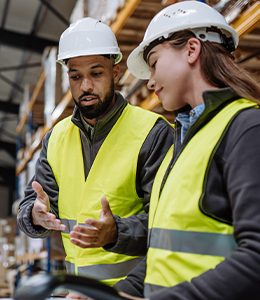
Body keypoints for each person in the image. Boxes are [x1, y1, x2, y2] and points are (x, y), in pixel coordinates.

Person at [109, 2, 260, 299]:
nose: (150, 81)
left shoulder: (252, 130)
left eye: (154, 63)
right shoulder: (185, 144)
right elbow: (164, 256)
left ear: (192, 49)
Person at [16, 17, 174, 292]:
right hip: (79, 292)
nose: (85, 86)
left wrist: (116, 232)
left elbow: (169, 222)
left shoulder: (152, 133)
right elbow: (31, 204)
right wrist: (34, 215)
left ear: (116, 73)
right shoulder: (55, 139)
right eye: (75, 76)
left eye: (96, 73)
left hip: (137, 292)